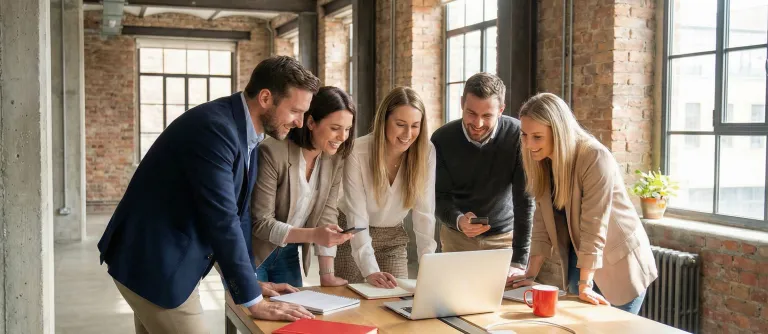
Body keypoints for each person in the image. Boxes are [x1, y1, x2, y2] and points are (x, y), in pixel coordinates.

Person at [97, 56, 320, 333]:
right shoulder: (216, 130)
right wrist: (253, 302)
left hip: (162, 259)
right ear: (265, 98)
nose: (299, 123)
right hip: (156, 262)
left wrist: (249, 281)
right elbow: (222, 220)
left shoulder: (243, 131)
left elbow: (240, 217)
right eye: (295, 111)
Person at [509, 92, 658, 314]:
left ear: (558, 132)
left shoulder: (594, 157)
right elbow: (541, 222)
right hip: (580, 258)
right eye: (524, 135)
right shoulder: (541, 162)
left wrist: (585, 284)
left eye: (537, 137)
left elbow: (594, 224)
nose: (529, 145)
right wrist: (531, 273)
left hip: (619, 265)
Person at [430, 72, 534, 281]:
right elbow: (438, 196)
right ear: (461, 104)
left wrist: (520, 260)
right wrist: (459, 220)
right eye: (471, 113)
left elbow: (525, 199)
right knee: (453, 303)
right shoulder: (442, 138)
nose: (477, 123)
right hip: (456, 238)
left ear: (501, 110)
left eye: (487, 116)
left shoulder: (517, 136)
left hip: (504, 239)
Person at [251, 86, 356, 288]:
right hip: (252, 252)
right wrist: (314, 234)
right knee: (251, 317)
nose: (343, 137)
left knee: (295, 316)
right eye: (335, 128)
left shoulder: (333, 159)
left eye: (348, 129)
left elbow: (327, 211)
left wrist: (327, 274)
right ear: (310, 122)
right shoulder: (272, 152)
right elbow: (261, 223)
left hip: (288, 252)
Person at [334, 87, 437, 288]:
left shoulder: (427, 152)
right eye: (400, 124)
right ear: (384, 121)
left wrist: (428, 265)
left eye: (415, 126)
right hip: (352, 233)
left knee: (396, 300)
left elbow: (425, 213)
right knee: (354, 305)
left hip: (393, 237)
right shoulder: (357, 151)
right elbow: (357, 215)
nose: (408, 134)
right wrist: (370, 270)